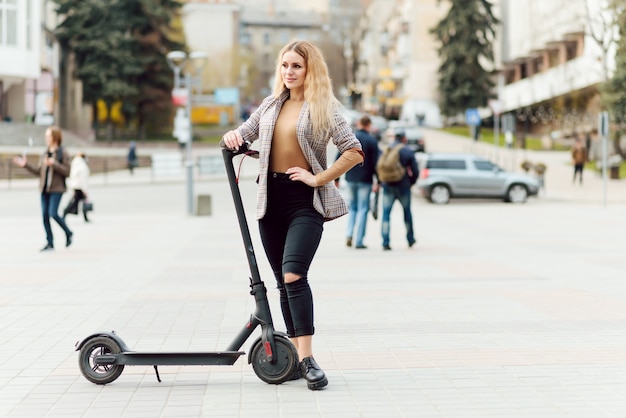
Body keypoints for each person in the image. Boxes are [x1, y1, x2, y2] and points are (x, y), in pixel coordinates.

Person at [221, 40, 364, 390]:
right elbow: (244, 134)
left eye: (296, 66)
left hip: (304, 201)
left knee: (293, 275)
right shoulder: (271, 105)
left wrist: (318, 177)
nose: (289, 72)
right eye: (285, 65)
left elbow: (354, 151)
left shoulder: (324, 108)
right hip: (270, 201)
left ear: (309, 69)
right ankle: (298, 360)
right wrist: (232, 135)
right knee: (281, 282)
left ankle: (309, 358)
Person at [12, 126, 74, 251]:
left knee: (53, 213)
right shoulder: (45, 153)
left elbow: (67, 171)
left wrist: (54, 164)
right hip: (44, 189)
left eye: (48, 136)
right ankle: (50, 242)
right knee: (45, 216)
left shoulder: (63, 152)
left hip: (57, 188)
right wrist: (25, 165)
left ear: (55, 137)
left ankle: (68, 232)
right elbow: (38, 171)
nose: (46, 138)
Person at [338, 115, 380, 249]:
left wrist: (337, 178)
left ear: (359, 124)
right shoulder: (372, 141)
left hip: (350, 178)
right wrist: (377, 181)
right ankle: (359, 241)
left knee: (353, 208)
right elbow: (376, 163)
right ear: (368, 125)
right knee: (363, 209)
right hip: (365, 180)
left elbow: (339, 157)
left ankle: (349, 234)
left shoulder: (351, 139)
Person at [379, 132, 419, 250]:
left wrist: (381, 181)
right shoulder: (407, 151)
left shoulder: (387, 149)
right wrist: (411, 182)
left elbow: (380, 167)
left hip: (388, 185)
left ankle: (385, 242)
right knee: (407, 212)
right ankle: (410, 239)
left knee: (386, 214)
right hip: (403, 186)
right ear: (404, 139)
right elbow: (415, 170)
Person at [63, 152, 91, 222]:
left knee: (82, 202)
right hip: (80, 187)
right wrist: (85, 190)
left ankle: (85, 217)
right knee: (74, 202)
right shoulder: (82, 165)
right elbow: (83, 179)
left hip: (75, 186)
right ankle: (65, 213)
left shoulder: (75, 164)